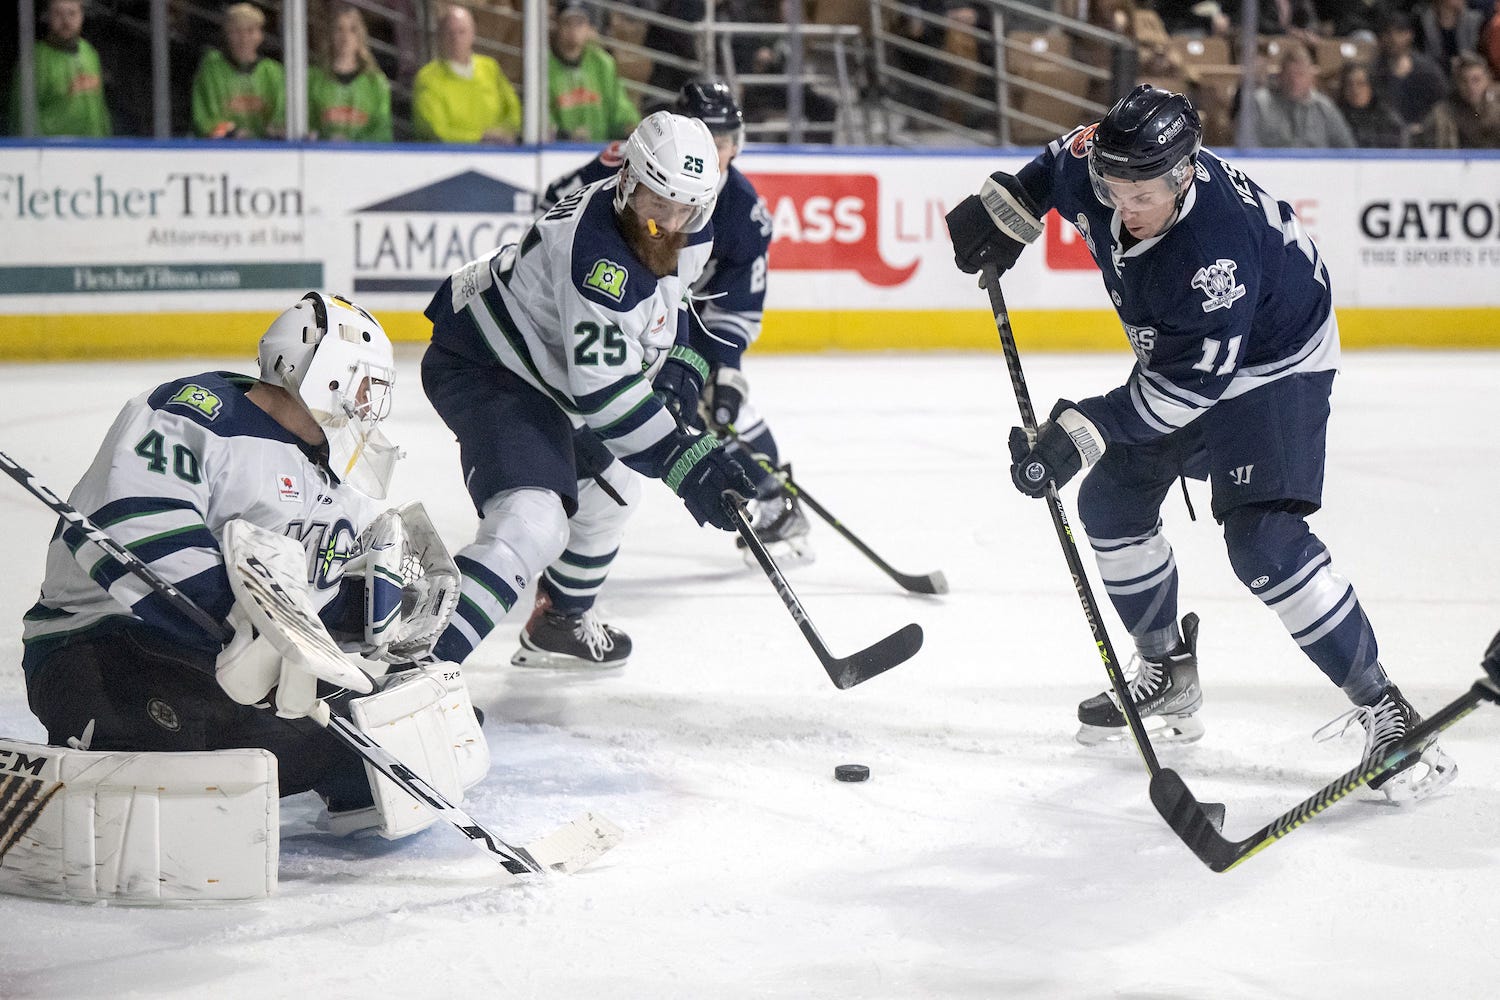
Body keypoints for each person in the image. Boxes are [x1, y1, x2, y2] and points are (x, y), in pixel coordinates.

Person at [944, 84, 1456, 803]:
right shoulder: (1106, 160)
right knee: (1113, 504)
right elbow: (1058, 162)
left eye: (1142, 194)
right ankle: (1168, 674)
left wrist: (1078, 431)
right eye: (1113, 189)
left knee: (1264, 543)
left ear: (1184, 175)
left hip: (1274, 362)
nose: (1124, 207)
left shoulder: (1217, 253)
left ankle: (1388, 708)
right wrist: (1005, 212)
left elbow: (1186, 394)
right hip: (1188, 356)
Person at [19, 293, 415, 822]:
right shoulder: (195, 414)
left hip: (217, 667)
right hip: (101, 642)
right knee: (187, 738)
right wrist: (243, 621)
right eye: (366, 385)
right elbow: (135, 527)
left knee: (396, 728)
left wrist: (363, 612)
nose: (370, 406)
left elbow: (306, 597)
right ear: (324, 375)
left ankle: (317, 772)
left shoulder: (341, 477)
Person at [421, 110, 755, 670]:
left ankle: (559, 622)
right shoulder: (599, 257)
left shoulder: (690, 219)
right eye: (657, 204)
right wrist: (688, 463)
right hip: (488, 363)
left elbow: (678, 307)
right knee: (533, 519)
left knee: (613, 492)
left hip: (551, 372)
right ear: (627, 182)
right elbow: (605, 398)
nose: (669, 224)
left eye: (686, 209)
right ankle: (418, 667)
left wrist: (683, 367)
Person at [528, 81, 803, 665]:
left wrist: (713, 369)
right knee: (615, 425)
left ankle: (777, 500)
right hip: (626, 308)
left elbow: (734, 305)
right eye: (714, 136)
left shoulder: (744, 212)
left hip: (682, 319)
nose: (722, 150)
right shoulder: (634, 166)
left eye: (730, 137)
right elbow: (558, 201)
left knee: (729, 409)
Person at [412, 4, 521, 144]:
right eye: (449, 33)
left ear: (473, 34)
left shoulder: (490, 68)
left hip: (498, 155)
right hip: (449, 159)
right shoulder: (428, 78)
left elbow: (513, 109)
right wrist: (480, 138)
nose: (456, 39)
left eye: (461, 32)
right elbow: (435, 131)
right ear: (440, 37)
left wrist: (506, 132)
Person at [8, 0, 110, 137]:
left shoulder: (90, 53)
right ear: (47, 16)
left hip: (94, 150)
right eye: (58, 13)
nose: (66, 21)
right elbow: (21, 117)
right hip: (52, 152)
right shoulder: (33, 61)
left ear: (82, 16)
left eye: (72, 13)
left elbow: (100, 109)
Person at [549, 0, 640, 142]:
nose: (574, 30)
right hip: (560, 152)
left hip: (601, 149)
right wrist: (566, 136)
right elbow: (544, 123)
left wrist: (630, 126)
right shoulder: (545, 67)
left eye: (579, 23)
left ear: (589, 27)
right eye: (568, 22)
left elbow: (621, 109)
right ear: (558, 25)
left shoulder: (603, 63)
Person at [191, 2, 285, 139]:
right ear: (226, 34)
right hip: (222, 152)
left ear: (260, 35)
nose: (244, 39)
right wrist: (230, 132)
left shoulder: (273, 71)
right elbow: (205, 119)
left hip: (267, 153)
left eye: (250, 31)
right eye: (236, 31)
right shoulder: (212, 69)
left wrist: (275, 131)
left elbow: (281, 116)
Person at [308, 4, 393, 142]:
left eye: (352, 30)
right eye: (339, 29)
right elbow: (307, 126)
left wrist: (353, 144)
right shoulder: (314, 79)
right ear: (331, 35)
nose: (345, 37)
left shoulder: (376, 82)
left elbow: (383, 133)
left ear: (360, 36)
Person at [1251, 40, 1357, 147]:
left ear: (1311, 77)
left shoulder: (1324, 108)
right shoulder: (1260, 104)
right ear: (1280, 76)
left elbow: (1347, 149)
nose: (1294, 81)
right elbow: (1247, 149)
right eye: (1290, 75)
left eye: (1300, 74)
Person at [1371, 11, 1449, 143]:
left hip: (1427, 137)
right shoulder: (1375, 72)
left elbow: (1443, 103)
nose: (1394, 39)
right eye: (1388, 33)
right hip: (1387, 138)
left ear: (1410, 35)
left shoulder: (1428, 71)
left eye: (1399, 33)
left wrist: (1425, 125)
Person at [1416, 52, 1500, 147]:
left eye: (1476, 80)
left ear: (1488, 79)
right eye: (1464, 81)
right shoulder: (1444, 113)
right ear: (1457, 84)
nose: (1471, 87)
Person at [1335, 62, 1407, 148]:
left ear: (1372, 87)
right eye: (1349, 84)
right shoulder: (1336, 118)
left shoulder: (1389, 120)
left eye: (1361, 84)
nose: (1355, 90)